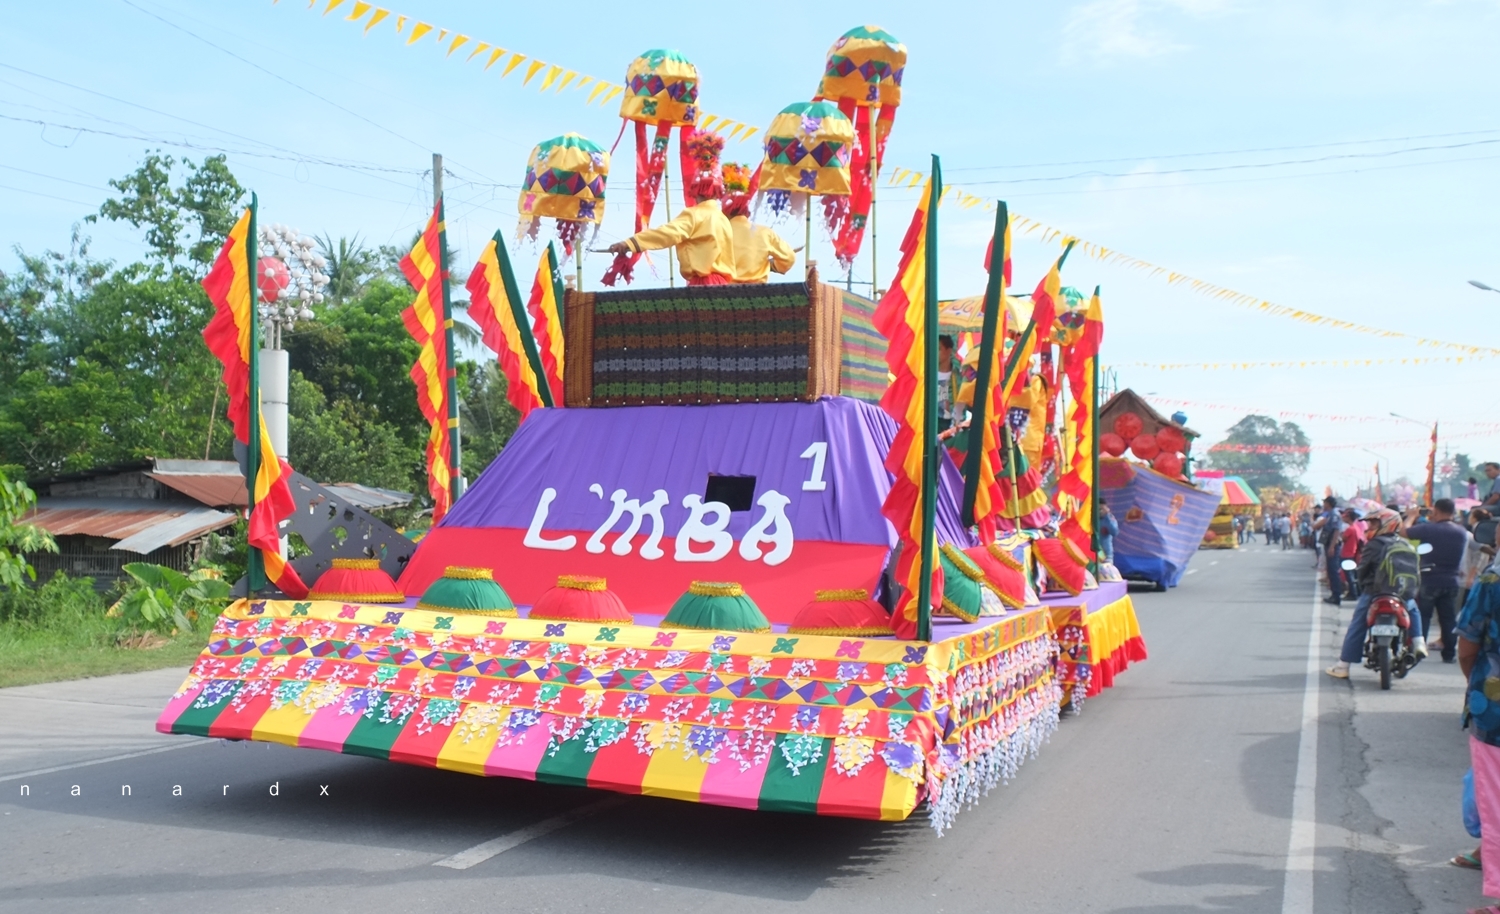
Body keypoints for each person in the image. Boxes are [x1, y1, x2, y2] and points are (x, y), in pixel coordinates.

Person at [606, 135, 735, 285]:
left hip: (703, 286)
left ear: (696, 190)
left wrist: (630, 243)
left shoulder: (694, 215)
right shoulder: (724, 220)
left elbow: (666, 234)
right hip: (725, 288)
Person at [1454, 521, 1500, 904]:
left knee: (1495, 795)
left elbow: (1468, 644)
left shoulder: (1493, 579)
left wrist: (1477, 683)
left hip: (1495, 706)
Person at [1327, 507, 1426, 679]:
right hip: (1401, 593)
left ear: (1387, 523)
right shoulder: (1405, 544)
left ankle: (1343, 665)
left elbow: (1363, 569)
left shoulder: (1373, 544)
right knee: (1413, 608)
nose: (1370, 527)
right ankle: (1419, 642)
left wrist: (1360, 582)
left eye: (1374, 523)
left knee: (1358, 624)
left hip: (1375, 592)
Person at [1407, 498, 1472, 664]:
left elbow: (1403, 531)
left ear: (1436, 511)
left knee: (1423, 617)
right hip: (1452, 581)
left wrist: (1411, 516)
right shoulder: (1461, 532)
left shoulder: (1429, 529)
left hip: (1430, 579)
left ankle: (1418, 649)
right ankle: (1449, 654)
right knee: (1448, 618)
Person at [720, 164, 796, 284]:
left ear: (725, 211)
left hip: (725, 297)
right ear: (746, 210)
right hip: (759, 298)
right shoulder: (765, 233)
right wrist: (772, 266)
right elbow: (789, 258)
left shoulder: (718, 234)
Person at [1337, 508, 1366, 602]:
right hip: (1352, 553)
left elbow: (1343, 539)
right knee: (1351, 575)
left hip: (1347, 554)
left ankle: (1353, 593)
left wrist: (1340, 535)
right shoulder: (1356, 528)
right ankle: (1353, 592)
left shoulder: (1350, 529)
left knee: (1349, 576)